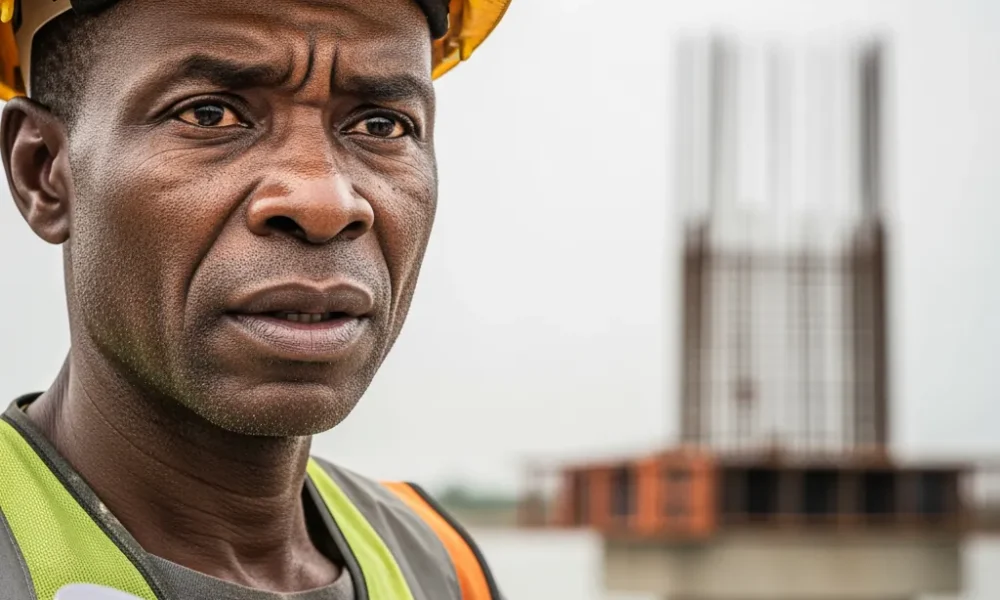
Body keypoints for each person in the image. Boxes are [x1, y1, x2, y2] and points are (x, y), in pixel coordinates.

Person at [0, 0, 511, 598]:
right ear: (44, 171)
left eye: (381, 126)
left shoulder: (440, 567)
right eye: (210, 115)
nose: (326, 204)